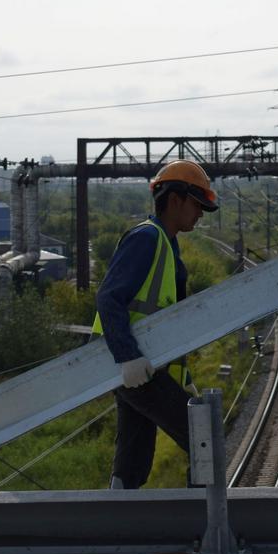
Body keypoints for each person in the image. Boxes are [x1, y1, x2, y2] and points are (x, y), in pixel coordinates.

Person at [92, 160, 218, 489]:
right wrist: (126, 356)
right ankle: (202, 523)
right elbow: (108, 298)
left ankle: (121, 524)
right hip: (135, 366)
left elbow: (167, 324)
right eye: (197, 205)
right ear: (175, 199)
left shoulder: (167, 246)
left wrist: (184, 380)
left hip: (142, 368)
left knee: (134, 455)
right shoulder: (146, 239)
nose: (201, 214)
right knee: (201, 438)